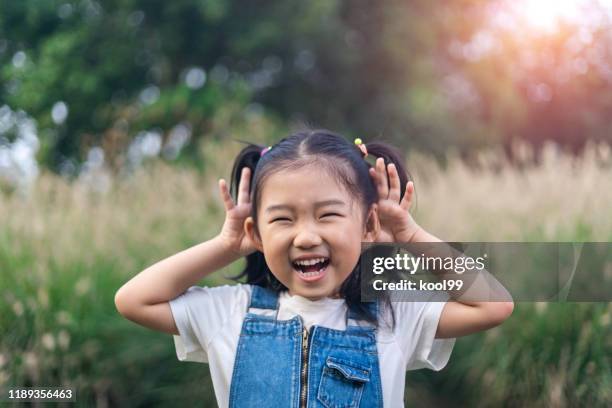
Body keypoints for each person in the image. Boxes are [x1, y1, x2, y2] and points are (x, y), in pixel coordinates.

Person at [114, 129, 514, 407]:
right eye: (283, 219)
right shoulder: (231, 313)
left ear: (368, 225)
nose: (305, 236)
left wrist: (409, 235)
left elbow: (493, 304)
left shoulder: (392, 316)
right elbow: (134, 300)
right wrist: (226, 246)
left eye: (327, 215)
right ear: (256, 231)